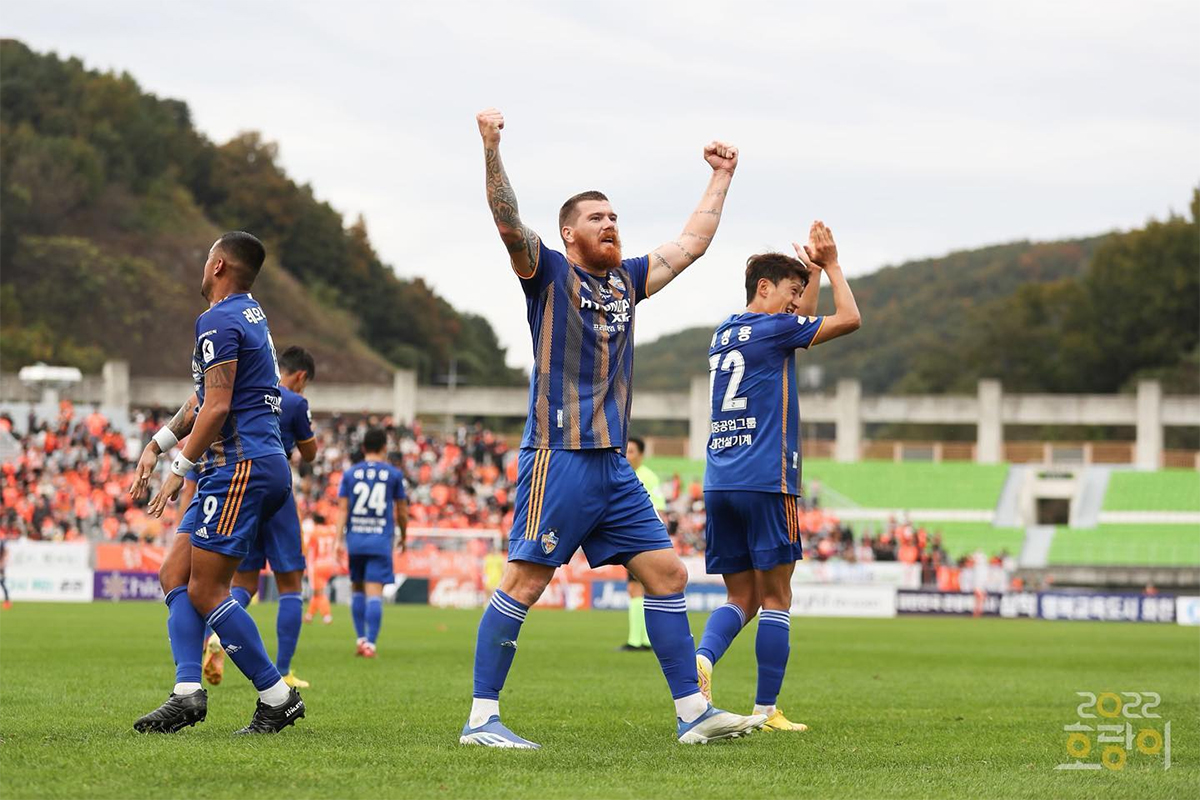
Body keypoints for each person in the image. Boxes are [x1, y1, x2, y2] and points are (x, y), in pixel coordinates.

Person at [460, 107, 764, 749]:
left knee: (667, 574)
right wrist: (490, 147)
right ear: (568, 232)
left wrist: (722, 176)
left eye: (615, 217)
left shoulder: (627, 280)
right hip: (560, 456)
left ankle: (692, 713)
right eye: (597, 217)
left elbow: (691, 243)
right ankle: (482, 720)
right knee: (525, 581)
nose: (610, 224)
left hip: (612, 466)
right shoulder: (548, 273)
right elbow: (506, 220)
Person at [128, 231, 305, 734]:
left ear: (219, 265)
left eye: (208, 258)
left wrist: (178, 469)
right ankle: (187, 692)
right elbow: (204, 396)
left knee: (207, 590)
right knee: (174, 575)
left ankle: (277, 697)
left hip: (240, 466)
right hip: (247, 463)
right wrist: (158, 443)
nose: (203, 266)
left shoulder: (218, 320)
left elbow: (218, 405)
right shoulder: (249, 315)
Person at [696, 221, 861, 732]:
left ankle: (701, 659)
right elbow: (849, 319)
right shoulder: (775, 330)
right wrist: (831, 265)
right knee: (777, 598)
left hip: (720, 480)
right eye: (790, 291)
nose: (795, 303)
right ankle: (766, 711)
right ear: (763, 287)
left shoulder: (725, 332)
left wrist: (808, 273)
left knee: (740, 598)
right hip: (767, 479)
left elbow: (799, 318)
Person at [203, 346, 319, 689]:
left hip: (243, 489)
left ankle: (216, 635)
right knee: (290, 585)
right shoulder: (294, 401)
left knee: (244, 584)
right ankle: (283, 671)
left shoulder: (250, 392)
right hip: (277, 487)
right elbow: (310, 453)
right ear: (301, 376)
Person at [335, 427, 408, 658]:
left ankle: (360, 639)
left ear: (364, 447)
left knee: (357, 588)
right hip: (380, 540)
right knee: (374, 592)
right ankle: (371, 644)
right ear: (385, 447)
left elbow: (343, 509)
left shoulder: (350, 474)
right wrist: (404, 535)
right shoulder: (393, 474)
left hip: (355, 540)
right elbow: (402, 510)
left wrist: (338, 540)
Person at [619, 436, 664, 652]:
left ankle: (637, 640)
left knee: (637, 588)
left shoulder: (648, 477)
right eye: (625, 451)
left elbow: (659, 509)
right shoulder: (623, 474)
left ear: (641, 455)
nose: (627, 456)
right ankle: (644, 640)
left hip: (642, 538)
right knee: (641, 588)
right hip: (630, 538)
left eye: (631, 452)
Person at [304, 514, 339, 624]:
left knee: (319, 592)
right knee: (317, 591)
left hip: (318, 564)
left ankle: (327, 616)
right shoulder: (331, 531)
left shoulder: (314, 532)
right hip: (330, 563)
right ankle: (309, 615)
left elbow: (307, 548)